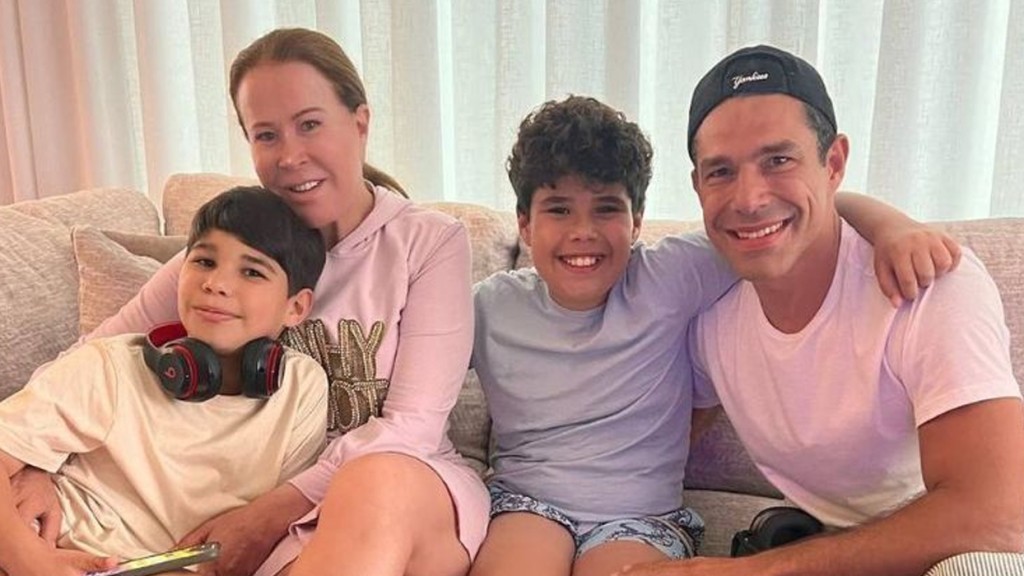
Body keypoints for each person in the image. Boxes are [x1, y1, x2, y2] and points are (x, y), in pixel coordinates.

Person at [11, 28, 490, 576]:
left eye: (309, 124)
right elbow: (81, 362)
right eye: (266, 135)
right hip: (265, 513)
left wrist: (271, 512)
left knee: (376, 477)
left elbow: (413, 427)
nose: (290, 155)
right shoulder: (224, 259)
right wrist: (36, 464)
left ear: (360, 123)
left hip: (404, 492)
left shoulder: (429, 243)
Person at [469, 95, 963, 576]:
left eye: (606, 209)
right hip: (528, 504)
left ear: (637, 221)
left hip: (639, 518)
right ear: (525, 224)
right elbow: (423, 357)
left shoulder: (671, 275)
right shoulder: (490, 306)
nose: (583, 231)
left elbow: (798, 217)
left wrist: (891, 227)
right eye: (558, 210)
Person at [617, 45, 1024, 576]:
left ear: (833, 163)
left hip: (954, 550)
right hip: (818, 541)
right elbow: (646, 443)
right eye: (721, 171)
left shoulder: (929, 281)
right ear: (697, 186)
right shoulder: (705, 302)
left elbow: (999, 518)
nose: (749, 198)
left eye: (778, 160)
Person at [0, 186, 328, 576]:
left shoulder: (302, 388)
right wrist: (29, 560)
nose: (216, 283)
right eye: (204, 261)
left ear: (296, 307)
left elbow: (283, 530)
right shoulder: (111, 367)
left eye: (252, 271)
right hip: (62, 553)